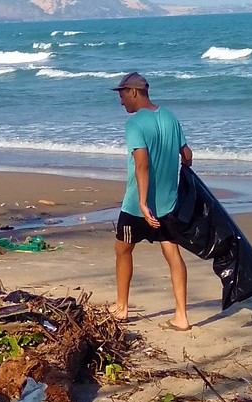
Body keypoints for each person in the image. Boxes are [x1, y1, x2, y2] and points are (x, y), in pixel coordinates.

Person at [110, 72, 195, 331]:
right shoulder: (170, 116)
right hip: (168, 202)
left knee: (123, 249)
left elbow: (142, 164)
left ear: (134, 92)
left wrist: (144, 203)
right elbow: (188, 155)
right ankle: (181, 315)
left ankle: (122, 307)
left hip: (138, 203)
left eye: (122, 94)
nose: (121, 100)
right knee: (172, 252)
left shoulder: (135, 124)